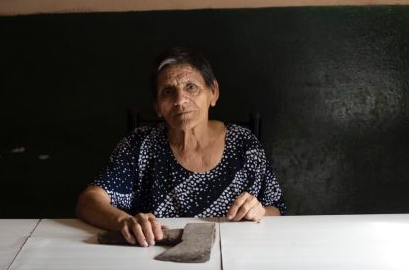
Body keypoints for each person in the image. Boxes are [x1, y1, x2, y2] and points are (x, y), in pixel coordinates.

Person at [76, 47, 286, 247]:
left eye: (191, 87)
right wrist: (123, 221)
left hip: (233, 256)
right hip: (153, 258)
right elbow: (89, 201)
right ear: (157, 106)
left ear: (213, 92)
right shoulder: (139, 145)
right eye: (168, 92)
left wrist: (259, 212)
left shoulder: (244, 144)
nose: (180, 100)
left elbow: (277, 209)